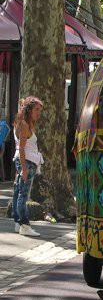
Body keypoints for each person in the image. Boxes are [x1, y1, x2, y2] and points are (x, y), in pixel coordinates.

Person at [12, 96, 44, 237]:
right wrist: (24, 169)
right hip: (27, 162)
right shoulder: (24, 125)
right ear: (29, 109)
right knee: (23, 194)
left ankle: (18, 223)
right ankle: (24, 224)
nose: (39, 113)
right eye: (36, 109)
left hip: (25, 161)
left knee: (18, 192)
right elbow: (22, 149)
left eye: (40, 110)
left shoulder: (24, 123)